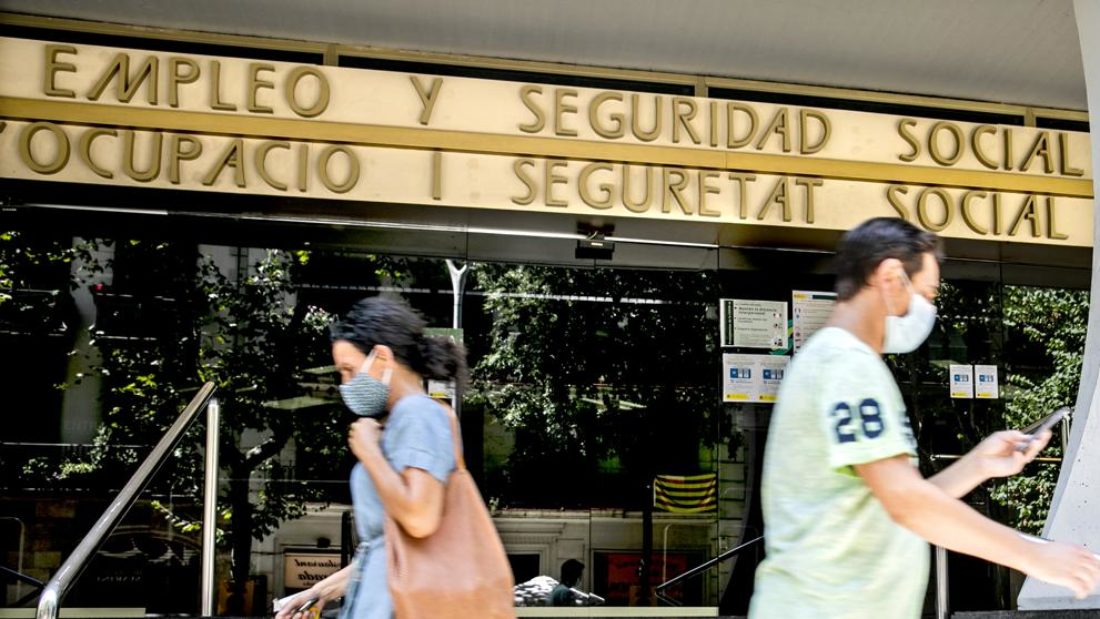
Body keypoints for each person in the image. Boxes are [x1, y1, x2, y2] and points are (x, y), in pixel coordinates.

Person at [748, 217, 1100, 618]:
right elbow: (906, 503)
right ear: (891, 276)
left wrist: (978, 465)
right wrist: (1034, 556)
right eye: (928, 293)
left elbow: (887, 505)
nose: (929, 310)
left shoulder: (831, 360)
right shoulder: (847, 365)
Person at [275, 296, 466, 619]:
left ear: (381, 358)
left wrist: (369, 454)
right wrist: (318, 592)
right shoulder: (399, 422)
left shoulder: (419, 414)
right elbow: (387, 549)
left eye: (349, 370)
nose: (345, 384)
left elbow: (419, 518)